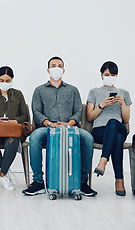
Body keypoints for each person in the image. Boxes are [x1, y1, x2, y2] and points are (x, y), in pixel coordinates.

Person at [22, 56, 97, 197]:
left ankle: (82, 182)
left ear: (63, 70)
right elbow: (36, 111)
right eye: (53, 65)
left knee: (87, 137)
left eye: (59, 65)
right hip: (47, 129)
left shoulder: (73, 90)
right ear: (48, 69)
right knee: (35, 136)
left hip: (70, 128)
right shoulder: (39, 90)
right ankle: (38, 181)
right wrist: (50, 124)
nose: (56, 68)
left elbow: (78, 111)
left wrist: (69, 124)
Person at [87, 61, 132, 196]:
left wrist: (123, 104)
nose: (110, 76)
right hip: (99, 131)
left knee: (113, 122)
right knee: (117, 139)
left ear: (116, 75)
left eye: (113, 74)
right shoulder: (94, 92)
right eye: (107, 74)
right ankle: (119, 181)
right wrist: (102, 105)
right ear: (101, 75)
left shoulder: (124, 93)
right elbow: (89, 117)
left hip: (119, 127)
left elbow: (126, 119)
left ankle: (103, 160)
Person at [0, 66, 29, 190]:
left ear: (12, 80)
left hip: (12, 131)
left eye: (7, 81)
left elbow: (25, 116)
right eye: (2, 80)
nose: (4, 83)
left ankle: (2, 173)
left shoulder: (18, 94)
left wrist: (15, 121)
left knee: (11, 144)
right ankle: (6, 170)